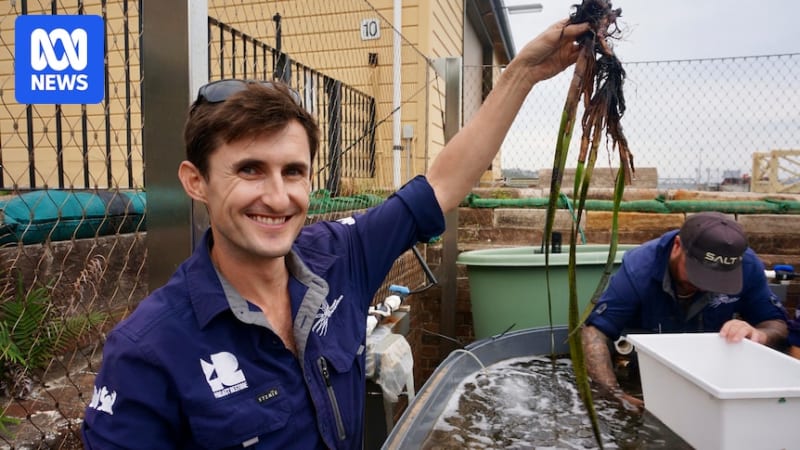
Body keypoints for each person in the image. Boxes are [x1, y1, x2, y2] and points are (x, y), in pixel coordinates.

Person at [80, 18, 591, 449]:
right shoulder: (148, 354)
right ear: (197, 182)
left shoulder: (340, 256)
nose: (278, 198)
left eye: (294, 171)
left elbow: (441, 183)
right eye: (250, 170)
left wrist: (523, 72)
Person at [581, 211, 789, 410]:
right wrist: (613, 395)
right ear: (677, 246)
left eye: (718, 280)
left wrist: (759, 334)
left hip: (713, 373)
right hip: (647, 368)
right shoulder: (640, 267)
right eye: (698, 274)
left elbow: (777, 325)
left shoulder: (748, 267)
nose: (704, 286)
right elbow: (594, 331)